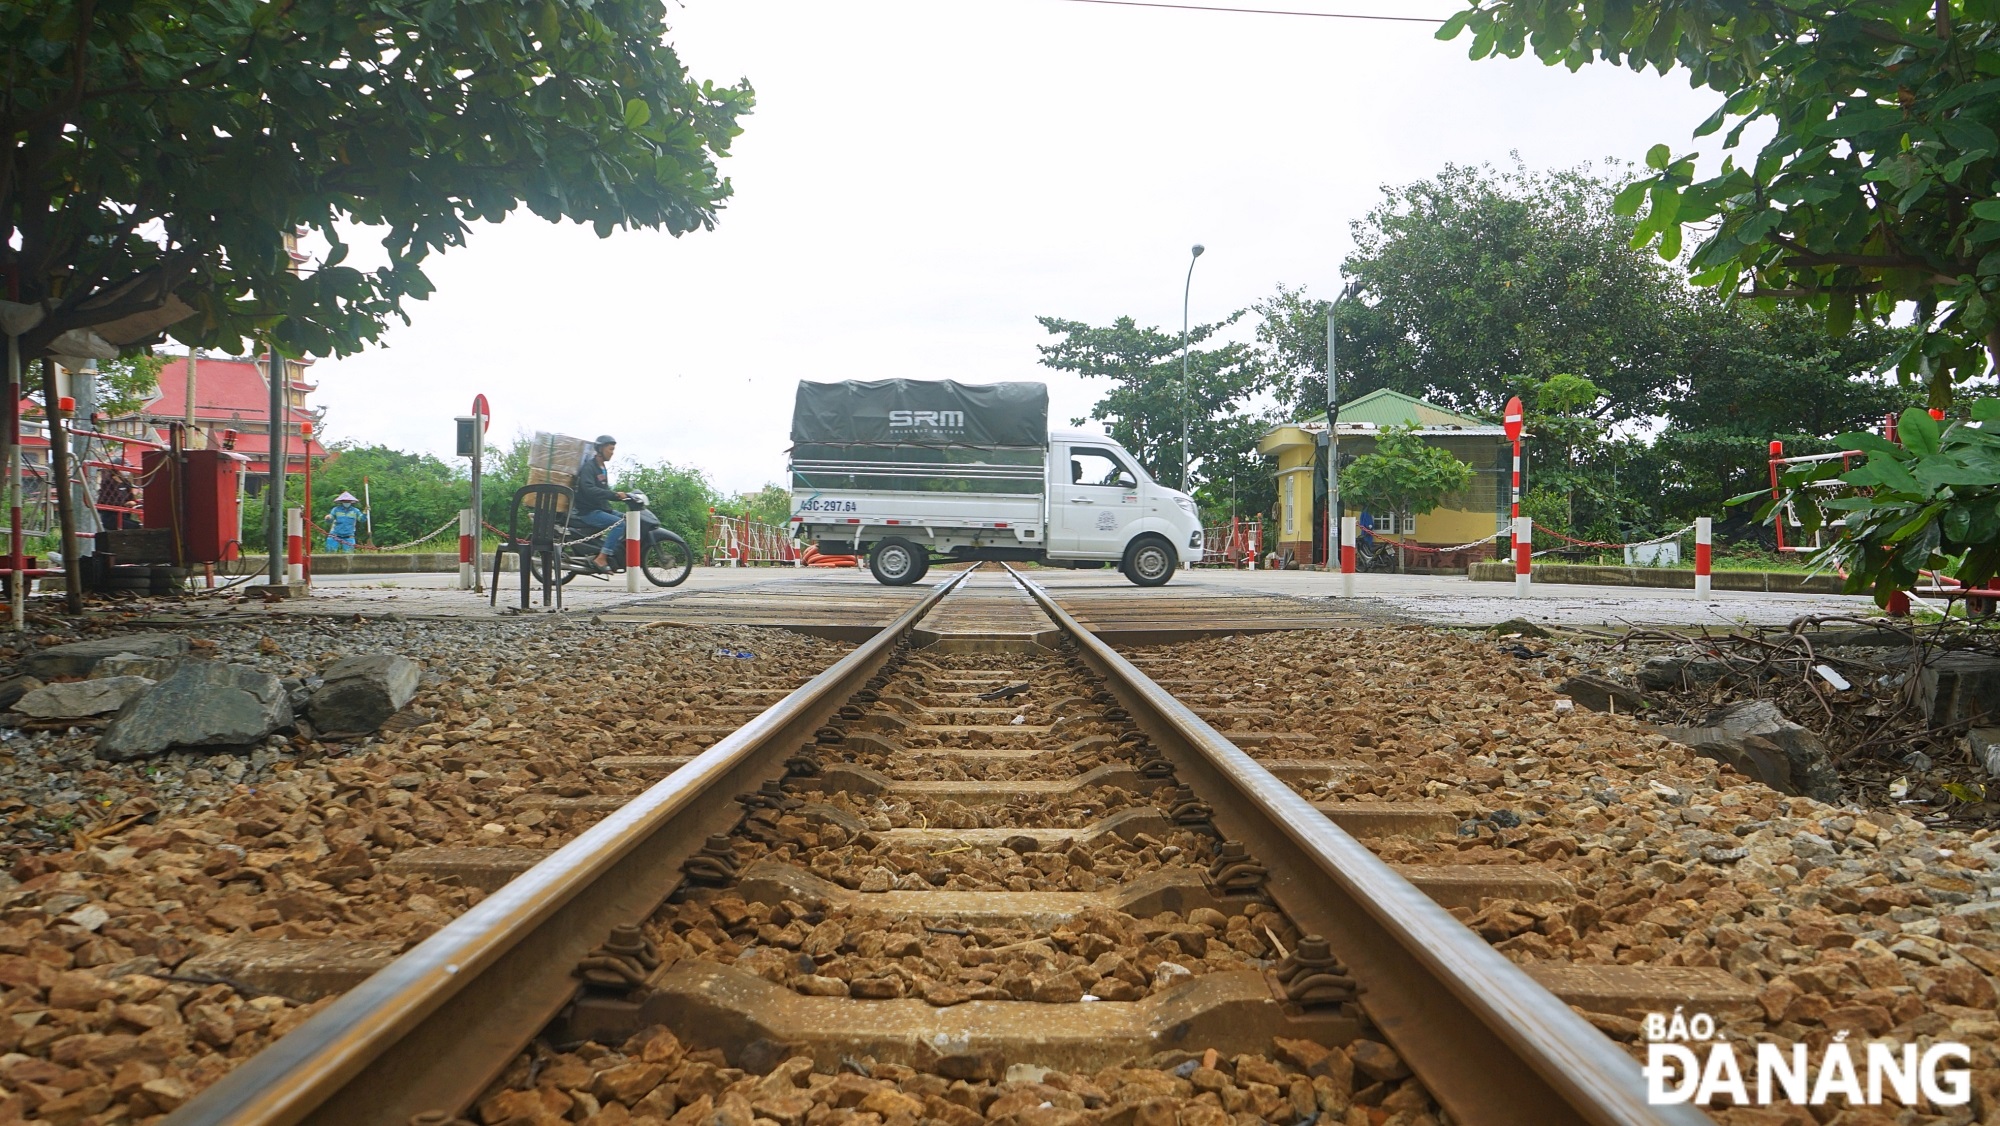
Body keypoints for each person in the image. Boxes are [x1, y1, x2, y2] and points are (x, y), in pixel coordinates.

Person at [574, 435, 632, 572]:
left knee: (629, 520)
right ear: (600, 449)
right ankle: (602, 557)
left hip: (602, 509)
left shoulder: (602, 468)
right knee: (620, 525)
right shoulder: (590, 467)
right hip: (589, 511)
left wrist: (619, 496)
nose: (612, 452)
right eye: (610, 449)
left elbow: (603, 490)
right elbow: (589, 489)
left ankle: (614, 553)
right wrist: (614, 495)